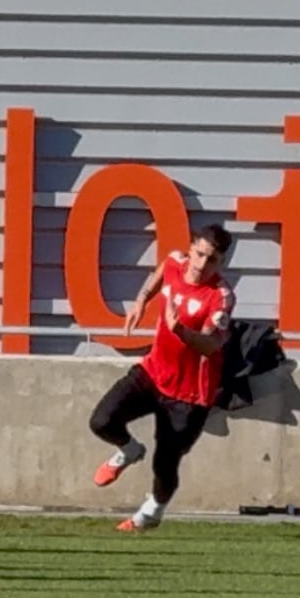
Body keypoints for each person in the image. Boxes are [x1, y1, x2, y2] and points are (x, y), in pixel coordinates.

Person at [89, 224, 236, 532]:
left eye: (211, 260)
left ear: (221, 263)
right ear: (191, 248)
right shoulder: (174, 262)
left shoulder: (220, 298)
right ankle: (129, 450)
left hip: (189, 395)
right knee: (102, 420)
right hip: (153, 373)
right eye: (198, 254)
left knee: (165, 462)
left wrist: (180, 330)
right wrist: (142, 299)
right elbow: (159, 274)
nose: (200, 265)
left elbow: (211, 345)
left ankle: (151, 513)